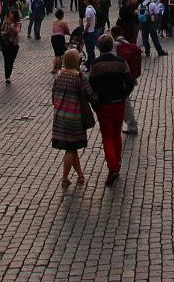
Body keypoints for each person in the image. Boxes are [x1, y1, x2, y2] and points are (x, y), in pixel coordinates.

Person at [87, 37, 134, 186]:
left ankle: (112, 166)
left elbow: (91, 86)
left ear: (99, 47)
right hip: (118, 103)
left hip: (103, 105)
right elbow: (130, 81)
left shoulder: (95, 65)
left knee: (107, 137)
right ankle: (117, 164)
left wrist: (95, 100)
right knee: (116, 134)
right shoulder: (121, 62)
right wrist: (123, 94)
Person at [51, 51, 94, 190]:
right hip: (74, 117)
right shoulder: (80, 77)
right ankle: (64, 178)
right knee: (70, 148)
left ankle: (80, 175)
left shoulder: (59, 76)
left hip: (59, 115)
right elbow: (90, 95)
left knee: (72, 147)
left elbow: (53, 95)